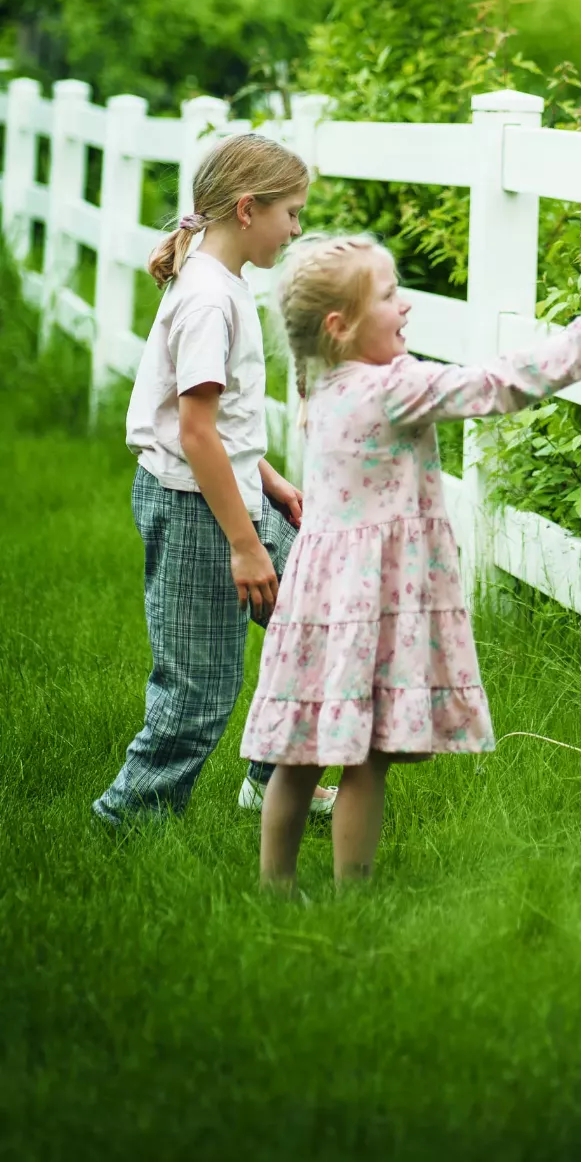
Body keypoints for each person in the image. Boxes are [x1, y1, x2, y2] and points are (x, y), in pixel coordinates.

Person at [241, 233, 581, 891]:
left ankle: (275, 884)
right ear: (340, 325)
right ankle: (355, 894)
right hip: (375, 602)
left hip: (321, 602)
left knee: (301, 754)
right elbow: (496, 384)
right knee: (366, 758)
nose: (405, 307)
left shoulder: (320, 388)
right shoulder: (392, 387)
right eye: (388, 295)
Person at [93, 132, 336, 829]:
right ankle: (128, 820)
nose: (296, 228)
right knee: (198, 691)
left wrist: (270, 481)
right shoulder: (207, 298)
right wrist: (245, 543)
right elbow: (194, 433)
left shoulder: (222, 282)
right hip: (197, 509)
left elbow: (213, 420)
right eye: (291, 212)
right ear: (247, 209)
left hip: (230, 494)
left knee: (318, 618)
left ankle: (273, 781)